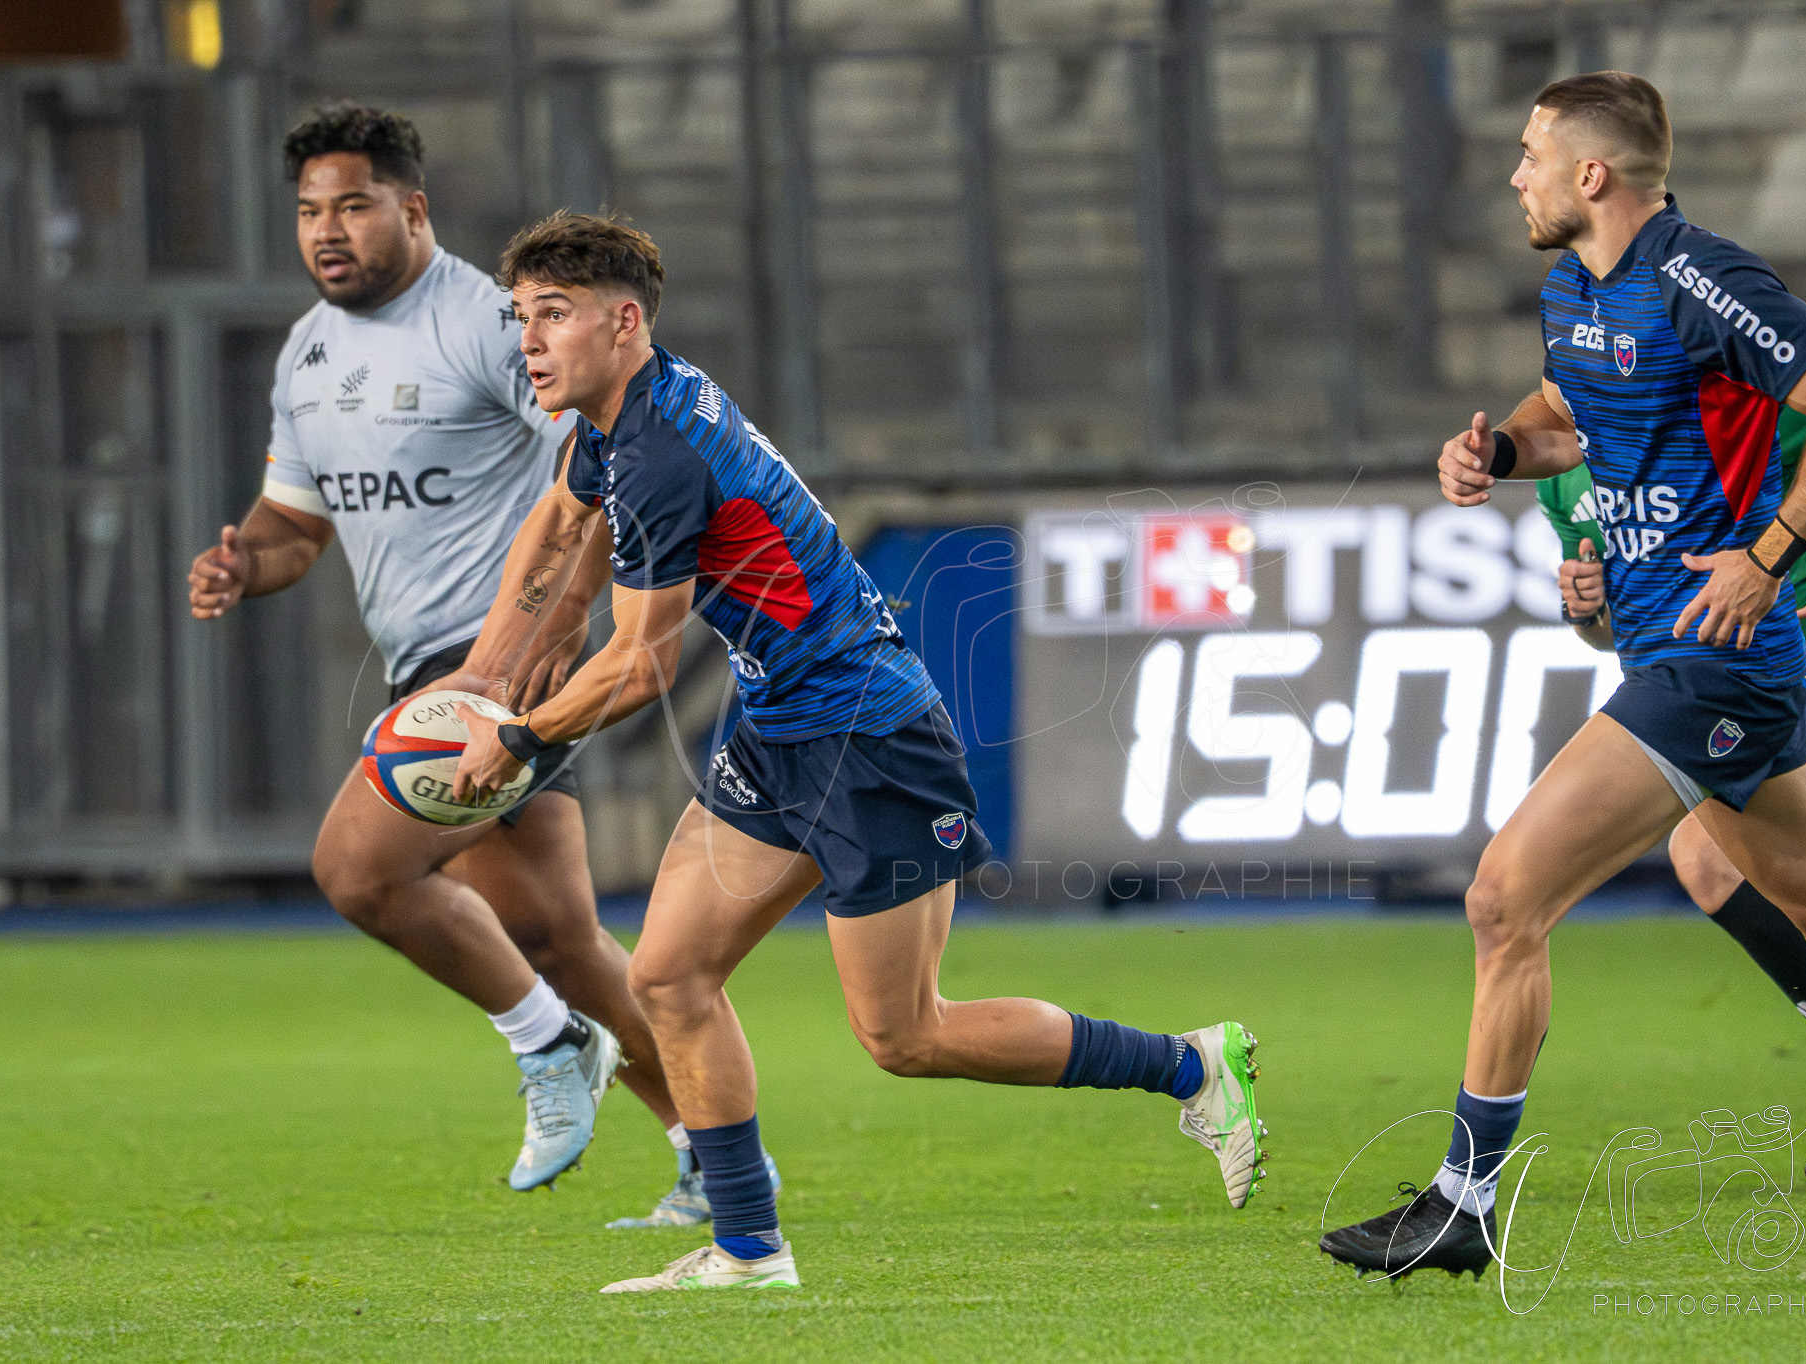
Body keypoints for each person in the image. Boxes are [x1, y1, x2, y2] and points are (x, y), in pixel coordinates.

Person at [442, 210, 1266, 1294]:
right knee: (669, 975)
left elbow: (639, 665)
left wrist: (514, 734)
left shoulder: (659, 451)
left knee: (903, 1034)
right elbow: (557, 525)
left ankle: (1189, 1064)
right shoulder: (619, 415)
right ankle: (747, 1247)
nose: (528, 341)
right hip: (777, 722)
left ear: (624, 319)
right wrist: (479, 673)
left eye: (551, 315)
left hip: (864, 734)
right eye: (519, 317)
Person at [1319, 72, 1806, 1281]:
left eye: (1529, 153)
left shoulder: (1700, 277)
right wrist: (1501, 449)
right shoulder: (1571, 286)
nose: (1513, 174)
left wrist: (1768, 553)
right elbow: (1574, 414)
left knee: (1501, 897)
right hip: (1683, 652)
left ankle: (1462, 1203)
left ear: (1592, 174)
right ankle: (1462, 1204)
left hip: (1709, 659)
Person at [186, 103, 727, 1226]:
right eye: (307, 211)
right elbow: (296, 524)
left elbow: (594, 467)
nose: (325, 230)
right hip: (426, 670)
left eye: (351, 204)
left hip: (499, 664)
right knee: (556, 938)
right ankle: (720, 1163)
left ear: (411, 208)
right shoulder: (309, 352)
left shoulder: (486, 321)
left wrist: (550, 638)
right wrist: (246, 561)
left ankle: (547, 1044)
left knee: (359, 872)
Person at [1546, 412, 1806, 1184]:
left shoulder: (1721, 399)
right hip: (1716, 699)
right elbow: (1604, 633)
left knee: (1706, 856)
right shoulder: (1566, 475)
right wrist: (1586, 609)